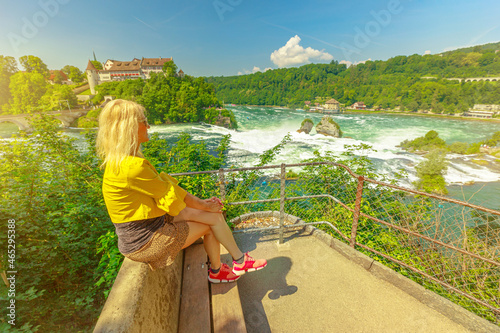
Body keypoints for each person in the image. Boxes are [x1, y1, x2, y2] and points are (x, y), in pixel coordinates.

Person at [96, 99, 266, 283]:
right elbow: (176, 204)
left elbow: (170, 190)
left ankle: (238, 261)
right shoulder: (132, 167)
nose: (149, 126)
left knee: (214, 217)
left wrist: (205, 206)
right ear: (128, 128)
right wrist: (205, 207)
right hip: (144, 239)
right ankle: (220, 270)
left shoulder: (122, 162)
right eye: (144, 122)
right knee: (210, 225)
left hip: (150, 224)